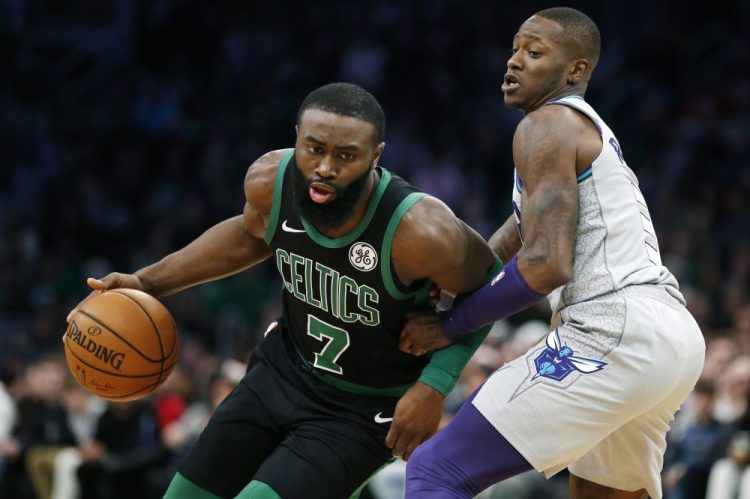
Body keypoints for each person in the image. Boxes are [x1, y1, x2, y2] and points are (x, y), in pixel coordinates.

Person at [67, 82, 498, 498]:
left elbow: (492, 283)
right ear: (297, 139)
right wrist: (146, 281)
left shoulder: (420, 230)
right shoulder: (270, 180)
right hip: (281, 371)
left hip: (361, 410)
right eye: (314, 150)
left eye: (346, 156)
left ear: (376, 155)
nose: (325, 168)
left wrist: (434, 385)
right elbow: (250, 236)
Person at [401, 7, 705, 499]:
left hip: (612, 326)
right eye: (515, 48)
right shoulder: (580, 133)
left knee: (437, 470)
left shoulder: (547, 123)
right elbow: (515, 238)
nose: (515, 61)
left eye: (534, 52)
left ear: (575, 70)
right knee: (598, 493)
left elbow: (546, 265)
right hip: (672, 338)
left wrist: (450, 325)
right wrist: (456, 274)